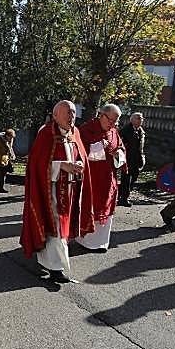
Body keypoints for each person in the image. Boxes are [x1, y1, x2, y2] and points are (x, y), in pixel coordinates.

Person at [20, 100, 94, 283]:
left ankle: (49, 262)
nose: (71, 117)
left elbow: (81, 156)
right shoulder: (46, 134)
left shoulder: (74, 133)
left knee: (63, 228)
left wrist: (78, 164)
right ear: (55, 116)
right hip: (50, 191)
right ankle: (56, 269)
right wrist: (62, 166)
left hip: (70, 190)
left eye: (73, 112)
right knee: (56, 228)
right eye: (67, 113)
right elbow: (36, 165)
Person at [75, 104, 126, 253]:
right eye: (111, 120)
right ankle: (84, 240)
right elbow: (80, 152)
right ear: (101, 116)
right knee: (90, 207)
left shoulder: (113, 132)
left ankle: (101, 243)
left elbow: (121, 148)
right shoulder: (86, 129)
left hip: (108, 178)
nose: (113, 124)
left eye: (116, 122)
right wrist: (99, 147)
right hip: (91, 178)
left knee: (106, 208)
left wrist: (118, 155)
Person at [118, 112, 146, 207]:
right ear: (132, 120)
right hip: (127, 159)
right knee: (126, 179)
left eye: (141, 118)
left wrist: (142, 158)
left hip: (137, 159)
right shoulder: (126, 130)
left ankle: (119, 194)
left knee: (133, 178)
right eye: (138, 118)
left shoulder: (140, 131)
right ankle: (124, 199)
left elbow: (140, 147)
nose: (140, 120)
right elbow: (120, 143)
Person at [0, 128, 16, 193]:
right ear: (6, 136)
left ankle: (1, 188)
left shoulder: (10, 140)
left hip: (5, 159)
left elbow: (10, 148)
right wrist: (0, 157)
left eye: (12, 137)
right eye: (10, 137)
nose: (11, 139)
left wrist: (12, 155)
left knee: (3, 174)